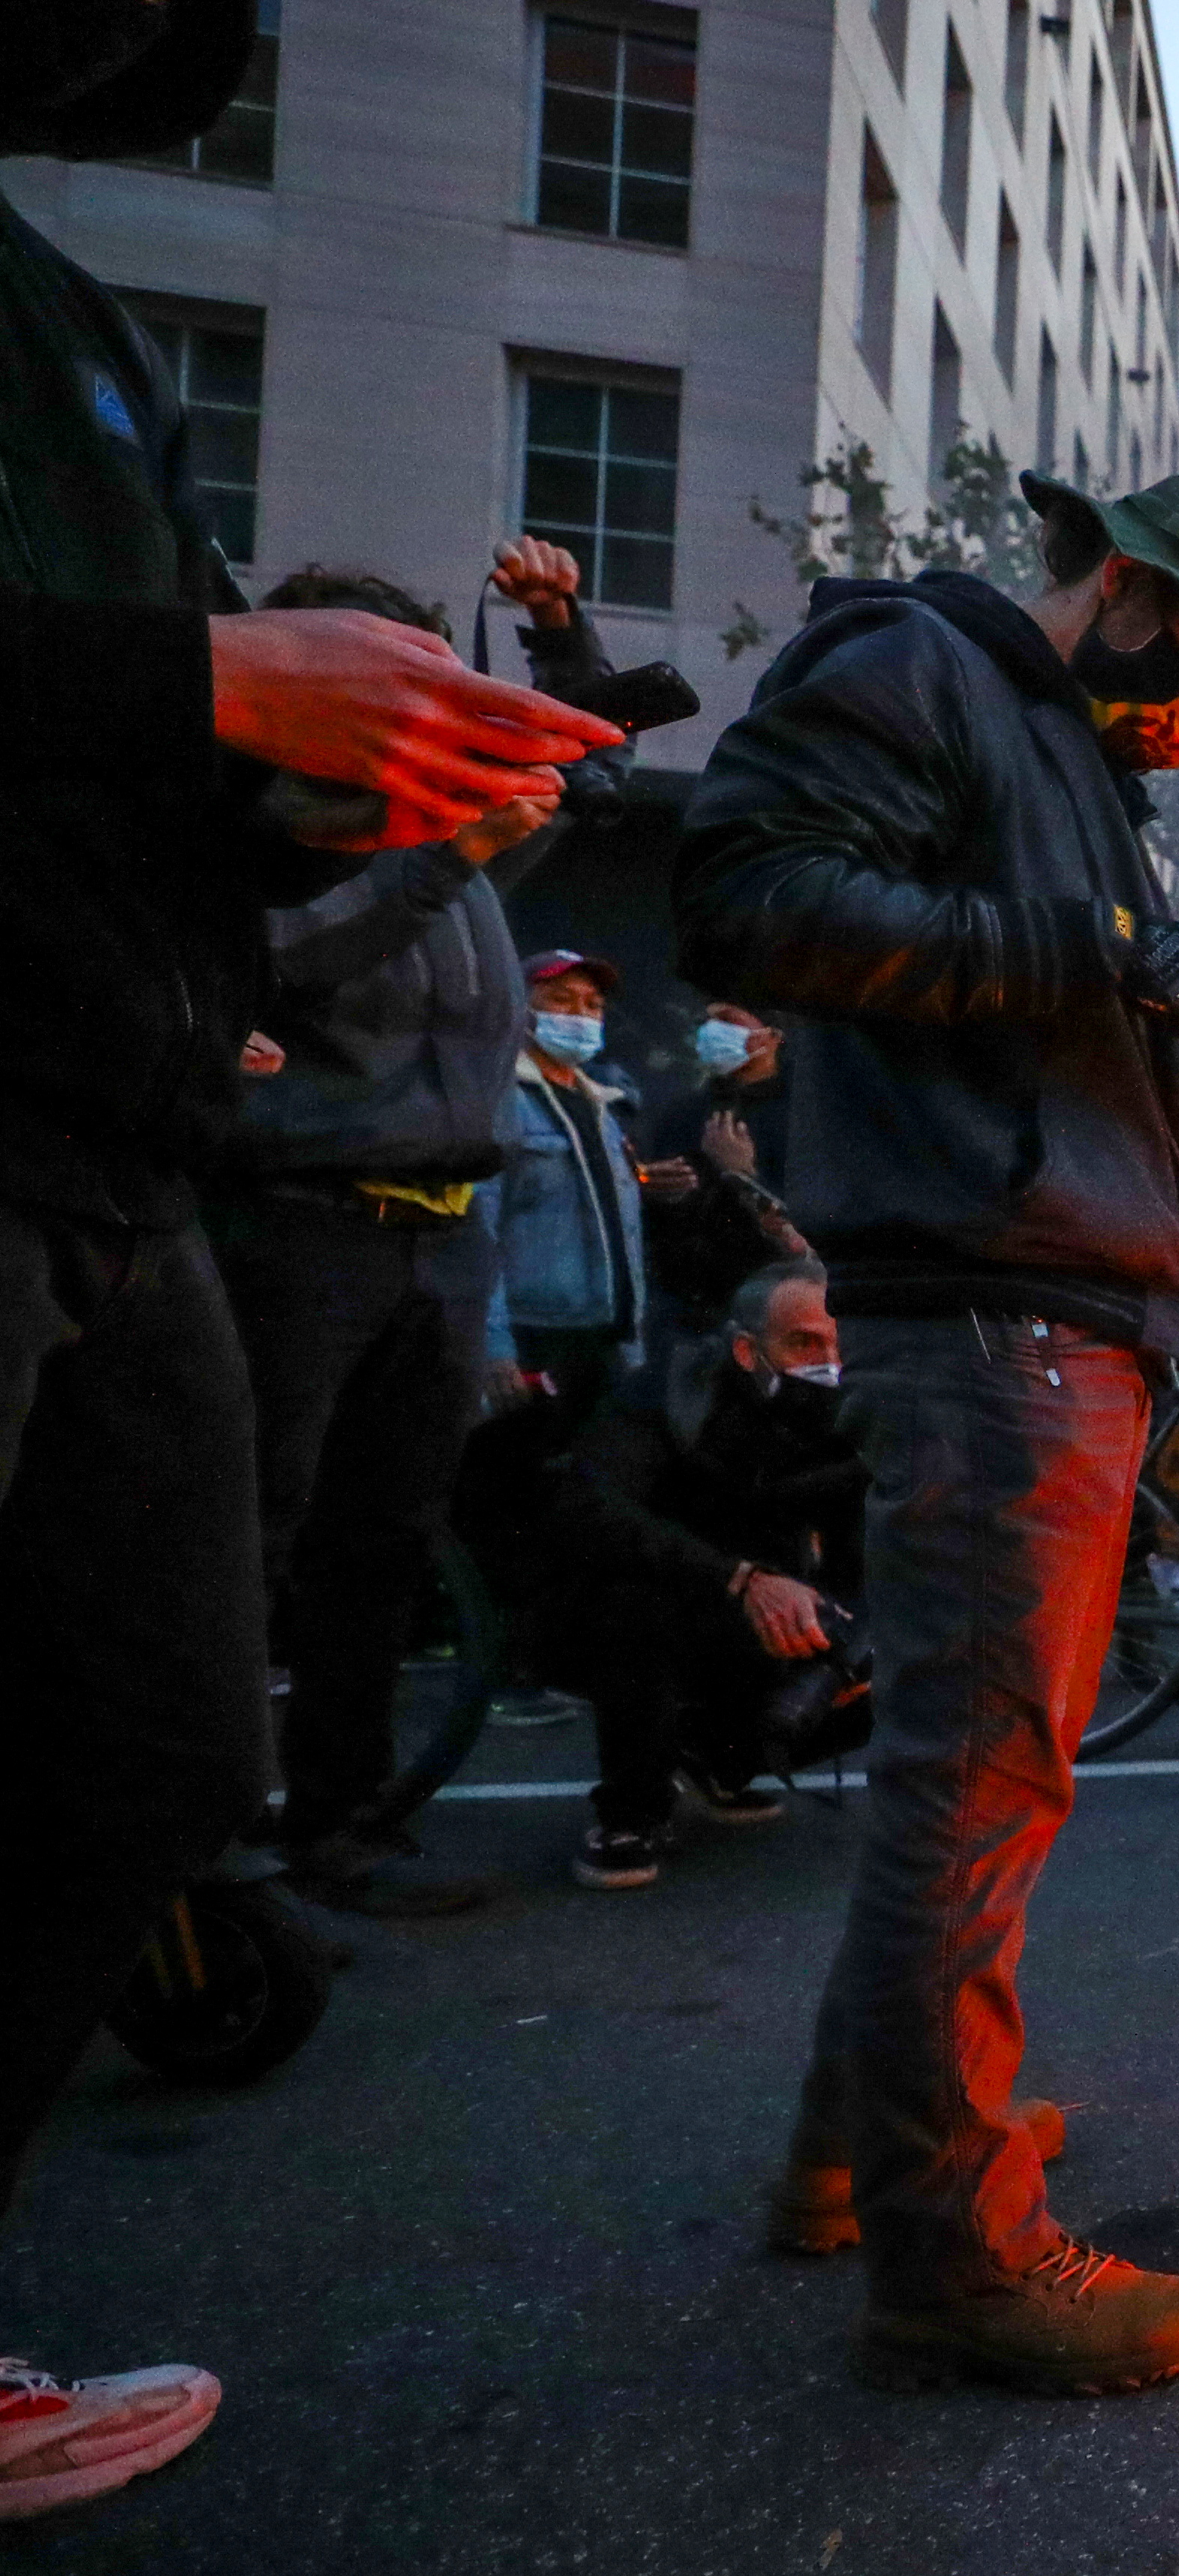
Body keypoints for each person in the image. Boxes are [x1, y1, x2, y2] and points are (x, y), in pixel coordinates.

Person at [0, 0, 623, 2522]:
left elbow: (204, 843)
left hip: (118, 1135)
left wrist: (382, 762)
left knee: (163, 1724)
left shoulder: (56, 316)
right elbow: (291, 912)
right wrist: (221, 692)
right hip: (169, 1168)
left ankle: (310, 1830)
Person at [677, 464, 1179, 2394]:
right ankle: (954, 2249)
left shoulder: (1069, 773)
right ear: (1124, 589)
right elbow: (749, 896)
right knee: (980, 1786)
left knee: (961, 1782)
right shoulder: (921, 662)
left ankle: (856, 2166)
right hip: (988, 1319)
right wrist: (1109, 955)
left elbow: (1042, 1021)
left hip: (1048, 1309)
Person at [211, 546, 620, 1918]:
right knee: (249, 1536)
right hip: (301, 1229)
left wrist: (560, 634)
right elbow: (281, 968)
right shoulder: (286, 826)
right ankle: (197, 1855)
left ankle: (338, 1825)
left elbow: (596, 764)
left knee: (382, 1545)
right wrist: (450, 857)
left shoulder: (456, 828)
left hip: (442, 1237)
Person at [539, 1260, 870, 1889]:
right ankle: (630, 1811)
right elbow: (588, 1509)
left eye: (835, 1343)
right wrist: (741, 1578)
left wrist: (852, 1637)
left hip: (756, 1609)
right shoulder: (666, 1396)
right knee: (637, 1606)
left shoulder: (845, 1412)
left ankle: (720, 1758)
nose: (826, 1361)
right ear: (748, 1350)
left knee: (882, 1647)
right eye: (803, 1342)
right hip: (648, 1599)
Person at [461, 944, 671, 1725]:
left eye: (591, 1003)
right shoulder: (499, 1101)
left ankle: (555, 1658)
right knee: (509, 1504)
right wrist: (495, 1345)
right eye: (562, 1000)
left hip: (595, 1340)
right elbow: (479, 1228)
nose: (579, 1016)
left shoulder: (601, 1103)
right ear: (521, 1008)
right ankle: (508, 1671)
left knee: (572, 1504)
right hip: (534, 1339)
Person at [646, 998, 808, 1336]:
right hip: (692, 1307)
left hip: (782, 1299)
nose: (712, 1031)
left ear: (771, 1036)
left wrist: (743, 1175)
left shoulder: (806, 1114)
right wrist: (653, 1187)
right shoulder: (683, 1113)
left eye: (728, 1021)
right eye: (709, 1021)